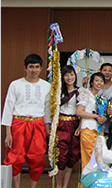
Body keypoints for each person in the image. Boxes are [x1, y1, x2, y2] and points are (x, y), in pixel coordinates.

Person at [2, 54, 51, 188]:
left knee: (37, 158)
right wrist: (8, 132)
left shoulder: (46, 86)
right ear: (25, 68)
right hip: (19, 124)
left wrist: (47, 128)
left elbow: (47, 109)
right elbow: (8, 107)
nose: (34, 70)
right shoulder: (15, 85)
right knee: (15, 158)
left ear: (41, 68)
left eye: (36, 67)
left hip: (38, 124)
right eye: (31, 67)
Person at [81, 117, 112, 188]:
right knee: (109, 182)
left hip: (107, 174)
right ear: (111, 128)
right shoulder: (101, 139)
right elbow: (99, 162)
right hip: (91, 174)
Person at [56, 65, 81, 188]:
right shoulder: (57, 91)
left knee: (72, 157)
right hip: (61, 125)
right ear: (63, 77)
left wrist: (79, 127)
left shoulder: (80, 91)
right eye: (66, 75)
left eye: (72, 74)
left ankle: (65, 186)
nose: (69, 77)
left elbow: (83, 110)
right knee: (61, 158)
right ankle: (58, 185)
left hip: (74, 124)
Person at [76, 72, 108, 170]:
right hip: (88, 129)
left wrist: (104, 118)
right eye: (97, 80)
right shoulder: (86, 94)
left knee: (99, 157)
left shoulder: (101, 98)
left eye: (102, 81)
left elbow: (102, 116)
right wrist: (95, 116)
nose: (99, 83)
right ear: (92, 82)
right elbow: (79, 112)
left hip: (99, 130)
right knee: (90, 158)